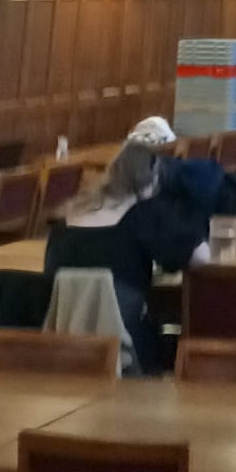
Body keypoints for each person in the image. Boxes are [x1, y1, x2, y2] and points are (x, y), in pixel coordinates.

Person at [46, 141, 208, 372]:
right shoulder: (143, 215)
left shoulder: (65, 218)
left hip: (60, 349)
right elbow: (202, 257)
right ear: (151, 181)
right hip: (128, 349)